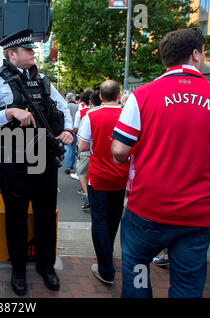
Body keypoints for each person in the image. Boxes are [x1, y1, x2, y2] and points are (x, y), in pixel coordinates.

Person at [112, 28, 210, 298]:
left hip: (147, 210)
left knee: (138, 271)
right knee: (187, 286)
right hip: (198, 214)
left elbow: (120, 150)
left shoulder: (143, 96)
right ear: (195, 55)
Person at [0, 29, 74, 296]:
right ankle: (18, 270)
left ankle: (46, 266)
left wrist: (68, 131)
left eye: (33, 49)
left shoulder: (43, 81)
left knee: (45, 214)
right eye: (28, 50)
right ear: (11, 54)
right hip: (11, 159)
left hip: (43, 157)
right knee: (16, 218)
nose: (33, 53)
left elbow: (63, 109)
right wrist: (9, 112)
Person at [77, 80, 130, 285]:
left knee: (99, 220)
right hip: (121, 175)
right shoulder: (129, 114)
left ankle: (105, 267)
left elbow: (82, 146)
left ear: (100, 96)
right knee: (114, 217)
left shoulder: (92, 115)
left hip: (98, 174)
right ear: (118, 95)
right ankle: (108, 256)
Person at [72, 90, 97, 209]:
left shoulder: (82, 113)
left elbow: (76, 129)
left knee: (82, 172)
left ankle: (87, 195)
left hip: (86, 149)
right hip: (99, 151)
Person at [64, 92, 78, 175]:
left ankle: (67, 167)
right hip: (75, 130)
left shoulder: (65, 106)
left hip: (67, 129)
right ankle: (72, 163)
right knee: (73, 148)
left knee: (67, 148)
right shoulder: (78, 107)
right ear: (73, 98)